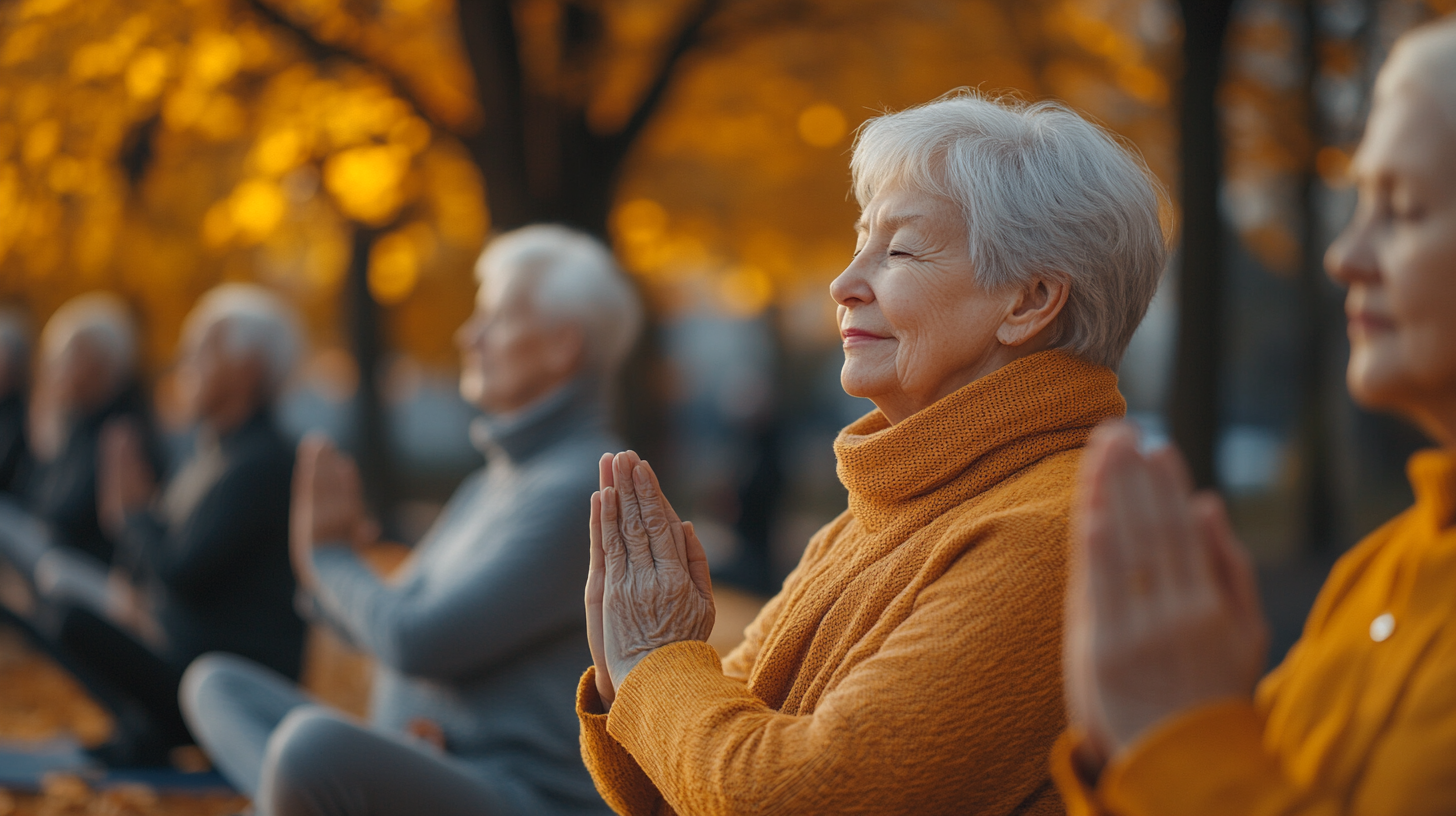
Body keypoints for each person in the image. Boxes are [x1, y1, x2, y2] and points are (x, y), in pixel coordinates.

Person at [579, 91, 1167, 815]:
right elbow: (688, 780)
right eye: (861, 243)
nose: (844, 284)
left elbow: (803, 799)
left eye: (899, 251)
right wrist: (628, 675)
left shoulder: (1059, 533)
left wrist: (655, 663)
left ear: (1029, 300)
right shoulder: (887, 509)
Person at [1052, 18, 1456, 816]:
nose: (1346, 256)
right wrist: (1124, 750)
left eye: (1402, 209)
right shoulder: (1380, 573)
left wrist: (1179, 740)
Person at [181, 225, 641, 816]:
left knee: (308, 749)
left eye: (495, 318)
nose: (468, 336)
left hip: (519, 795)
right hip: (433, 762)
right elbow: (389, 616)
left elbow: (414, 638)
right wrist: (332, 568)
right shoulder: (494, 482)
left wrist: (329, 558)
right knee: (217, 686)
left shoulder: (585, 487)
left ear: (562, 345)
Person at [35, 283, 308, 766]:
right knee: (58, 604)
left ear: (248, 370)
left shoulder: (263, 461)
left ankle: (160, 730)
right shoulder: (215, 453)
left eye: (202, 350)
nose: (185, 363)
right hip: (188, 654)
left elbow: (182, 570)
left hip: (229, 679)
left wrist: (134, 513)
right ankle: (147, 730)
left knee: (69, 617)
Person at [18, 292, 157, 565]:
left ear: (101, 363)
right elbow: (37, 499)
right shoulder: (79, 420)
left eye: (65, 358)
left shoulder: (124, 431)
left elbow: (69, 517)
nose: (56, 372)